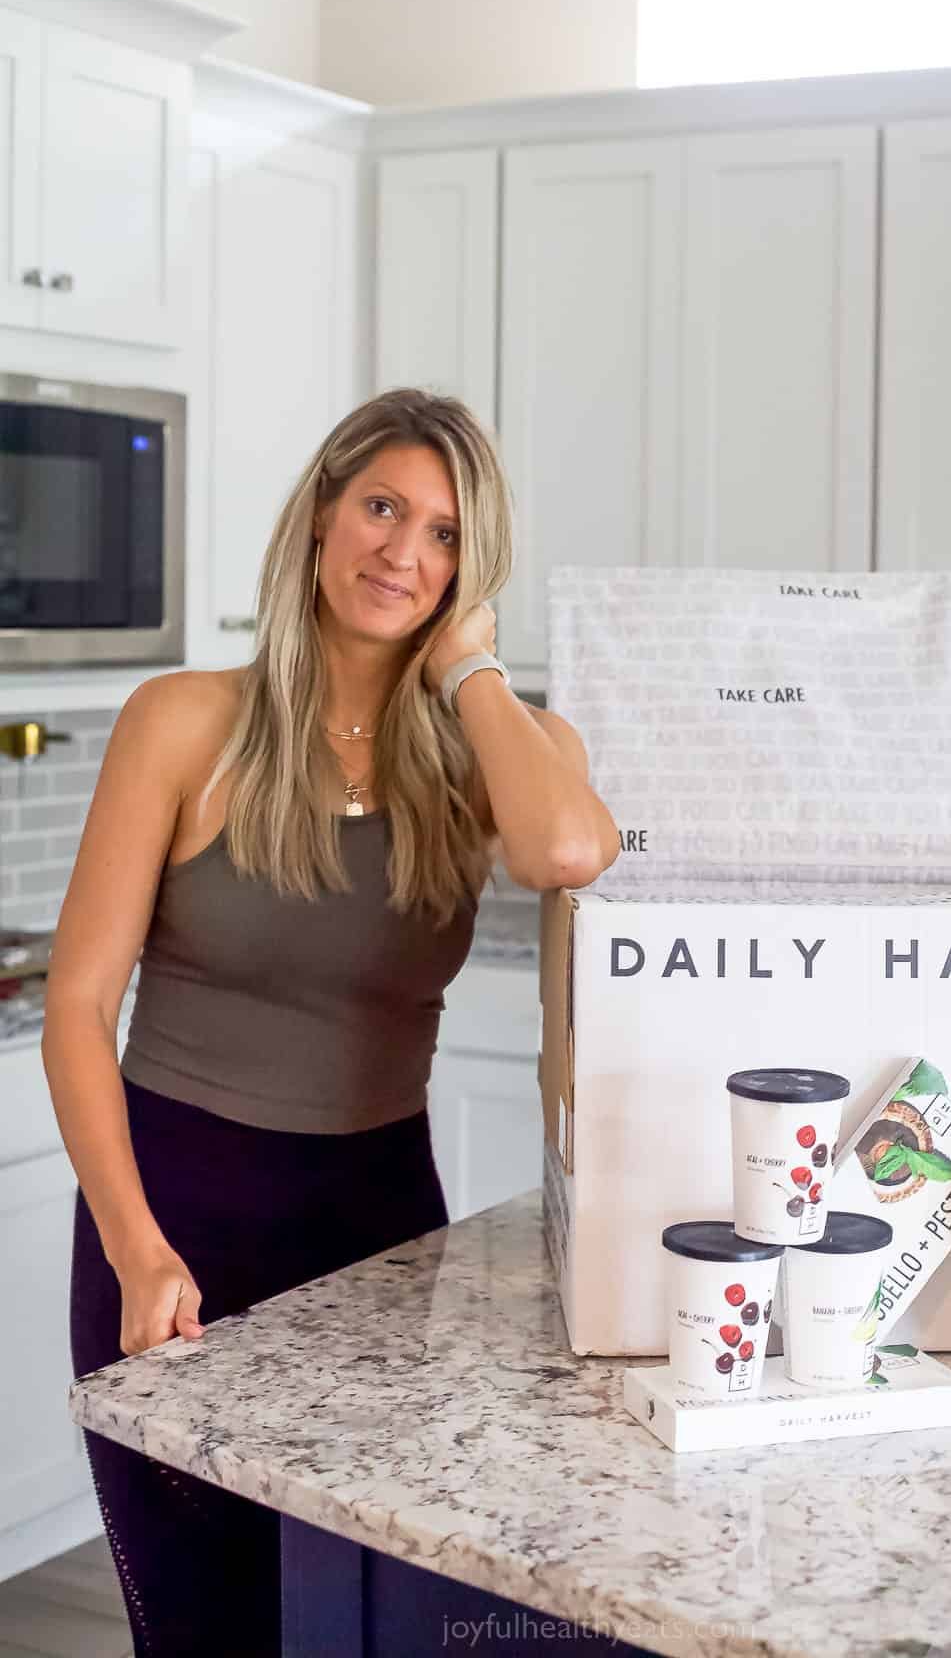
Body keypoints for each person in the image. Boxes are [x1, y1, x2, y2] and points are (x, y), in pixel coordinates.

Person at [43, 388, 621, 1657]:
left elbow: (570, 846)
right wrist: (137, 1249)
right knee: (204, 1625)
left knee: (361, 1624)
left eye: (448, 534)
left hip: (378, 1239)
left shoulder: (495, 747)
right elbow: (77, 1008)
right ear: (319, 515)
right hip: (175, 1226)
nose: (405, 552)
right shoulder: (183, 721)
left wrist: (467, 664)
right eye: (381, 507)